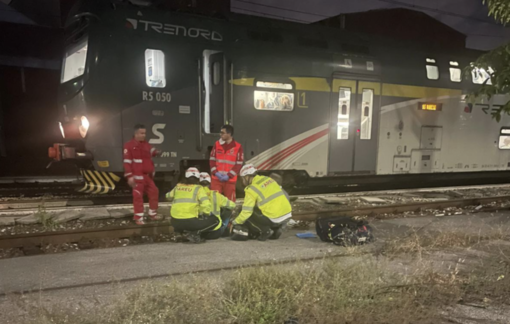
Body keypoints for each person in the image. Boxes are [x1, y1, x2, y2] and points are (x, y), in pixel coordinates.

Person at [232, 164, 292, 241]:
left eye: (242, 178)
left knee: (244, 212)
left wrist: (235, 222)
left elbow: (246, 212)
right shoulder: (268, 179)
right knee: (261, 209)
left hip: (274, 217)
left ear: (247, 177)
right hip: (287, 214)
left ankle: (265, 230)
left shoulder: (251, 189)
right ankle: (276, 230)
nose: (242, 181)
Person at [165, 167, 218, 243]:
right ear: (198, 178)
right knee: (215, 220)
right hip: (190, 222)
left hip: (175, 222)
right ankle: (194, 234)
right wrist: (205, 214)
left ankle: (178, 233)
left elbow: (168, 196)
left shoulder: (178, 186)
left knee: (181, 218)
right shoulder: (198, 188)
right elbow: (206, 204)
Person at [123, 124, 161, 225]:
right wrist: (129, 176)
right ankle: (139, 218)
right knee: (138, 196)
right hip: (137, 176)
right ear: (136, 134)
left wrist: (157, 152)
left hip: (147, 176)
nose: (144, 135)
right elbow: (127, 162)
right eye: (142, 133)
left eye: (145, 133)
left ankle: (152, 213)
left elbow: (152, 151)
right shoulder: (129, 145)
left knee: (154, 192)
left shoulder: (146, 144)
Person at [209, 124, 243, 202]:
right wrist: (215, 173)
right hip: (216, 179)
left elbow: (238, 164)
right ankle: (215, 214)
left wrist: (229, 175)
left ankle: (229, 214)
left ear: (229, 134)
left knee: (230, 202)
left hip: (230, 180)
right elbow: (212, 159)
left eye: (222, 133)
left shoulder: (238, 147)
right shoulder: (217, 144)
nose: (220, 134)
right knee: (214, 201)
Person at [199, 172, 236, 239]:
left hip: (198, 231)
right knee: (228, 210)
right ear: (210, 184)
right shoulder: (216, 195)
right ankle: (225, 227)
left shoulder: (194, 195)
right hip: (215, 233)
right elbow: (233, 205)